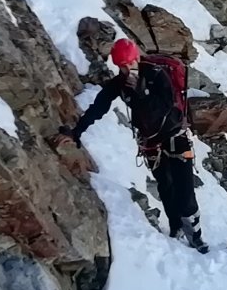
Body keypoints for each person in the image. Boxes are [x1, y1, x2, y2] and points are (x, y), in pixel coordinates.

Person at [57, 36, 207, 251]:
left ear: (137, 59)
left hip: (176, 137)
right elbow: (99, 107)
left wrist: (142, 92)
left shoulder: (157, 75)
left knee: (185, 192)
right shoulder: (120, 83)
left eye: (130, 64)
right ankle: (176, 228)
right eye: (123, 66)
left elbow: (164, 107)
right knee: (165, 186)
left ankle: (196, 238)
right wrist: (77, 131)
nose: (128, 70)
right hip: (151, 143)